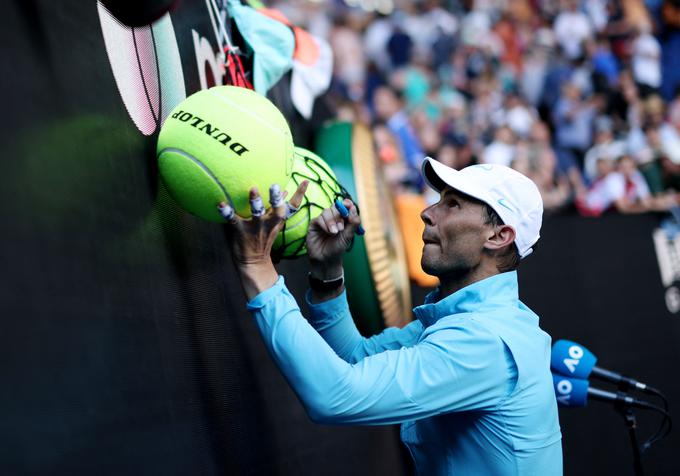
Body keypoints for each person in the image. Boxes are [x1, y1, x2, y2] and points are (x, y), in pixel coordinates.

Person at [219, 159, 563, 475]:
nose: (427, 212)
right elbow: (352, 358)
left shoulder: (484, 341)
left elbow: (334, 396)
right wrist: (327, 272)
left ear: (499, 236)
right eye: (439, 199)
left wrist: (257, 268)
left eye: (453, 204)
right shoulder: (473, 320)